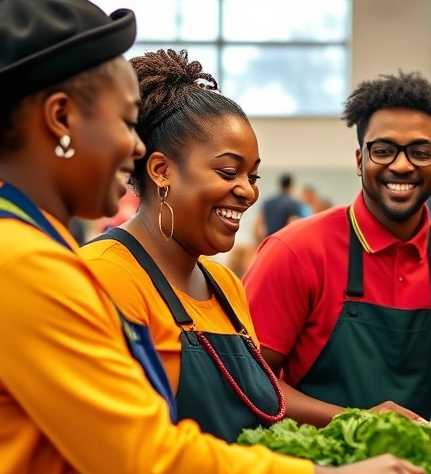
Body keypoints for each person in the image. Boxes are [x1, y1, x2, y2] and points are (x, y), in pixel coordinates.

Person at [0, 0, 431, 474]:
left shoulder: (43, 252)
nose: (133, 145)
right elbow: (145, 460)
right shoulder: (33, 266)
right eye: (125, 123)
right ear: (60, 118)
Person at [80, 49, 338, 443]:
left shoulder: (225, 284)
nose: (248, 191)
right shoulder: (105, 276)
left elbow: (261, 401)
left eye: (253, 176)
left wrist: (358, 422)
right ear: (161, 170)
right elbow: (128, 451)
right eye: (228, 171)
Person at [243, 72, 431, 424]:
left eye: (420, 152)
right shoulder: (295, 252)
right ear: (360, 160)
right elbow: (246, 379)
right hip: (317, 470)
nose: (402, 165)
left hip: (425, 472)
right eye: (384, 150)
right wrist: (352, 422)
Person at [254, 172, 303, 241]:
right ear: (291, 185)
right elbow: (292, 224)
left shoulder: (268, 202)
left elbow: (257, 225)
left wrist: (260, 242)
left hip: (269, 240)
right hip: (282, 242)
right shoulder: (293, 203)